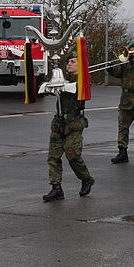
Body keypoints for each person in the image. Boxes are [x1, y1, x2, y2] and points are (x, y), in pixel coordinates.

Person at [42, 55, 94, 202]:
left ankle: (86, 178)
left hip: (74, 123)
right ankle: (56, 188)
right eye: (68, 62)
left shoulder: (83, 81)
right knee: (53, 156)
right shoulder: (62, 79)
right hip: (59, 122)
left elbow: (78, 91)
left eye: (73, 62)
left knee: (72, 155)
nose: (69, 64)